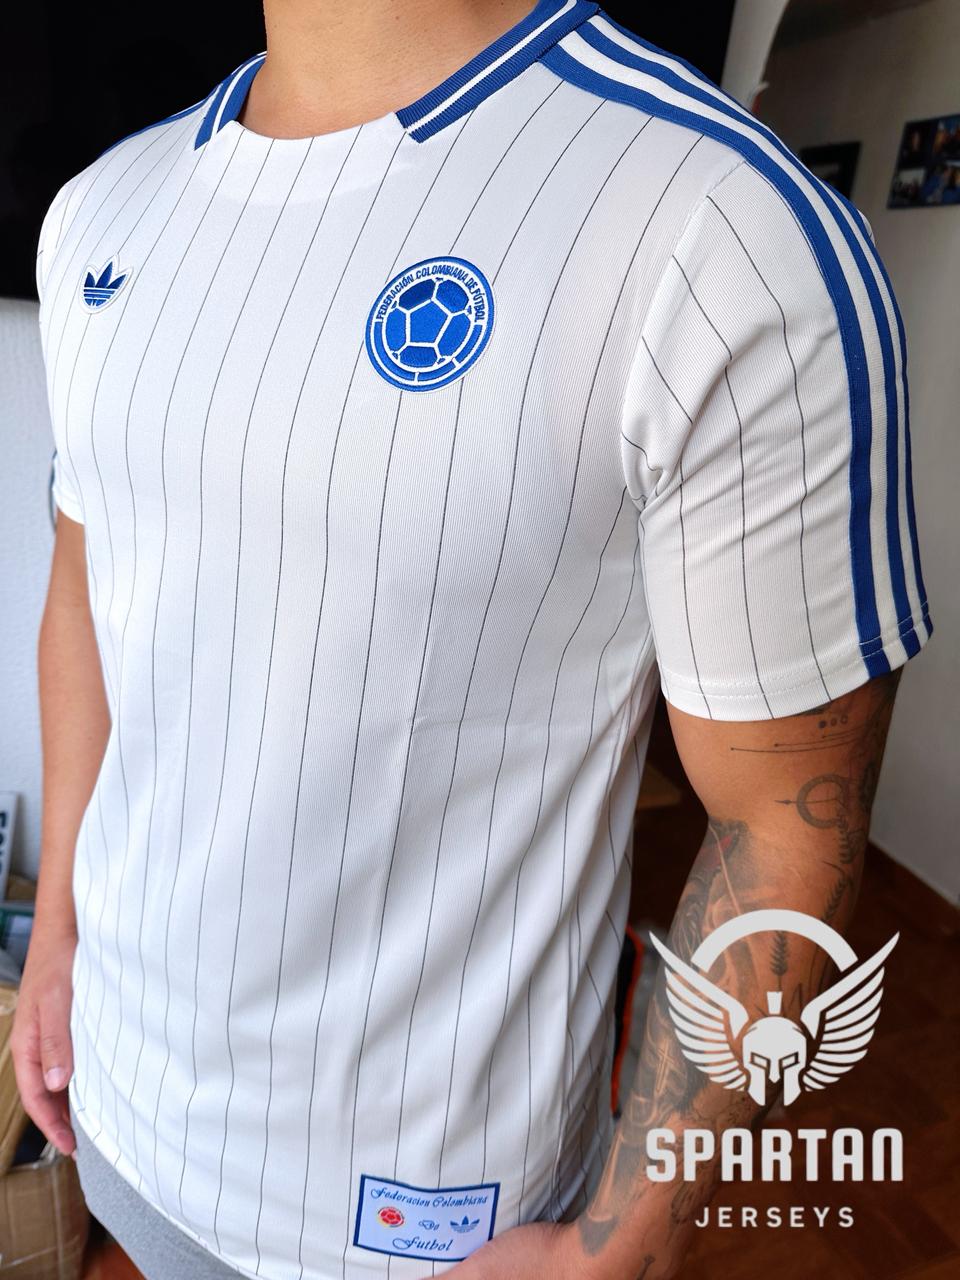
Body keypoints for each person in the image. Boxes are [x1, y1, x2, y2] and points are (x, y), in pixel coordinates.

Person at [13, 2, 932, 1278]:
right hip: (118, 1097)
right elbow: (85, 586)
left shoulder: (726, 226)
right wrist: (54, 928)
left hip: (432, 1214)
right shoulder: (101, 209)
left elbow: (788, 813)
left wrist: (622, 1247)